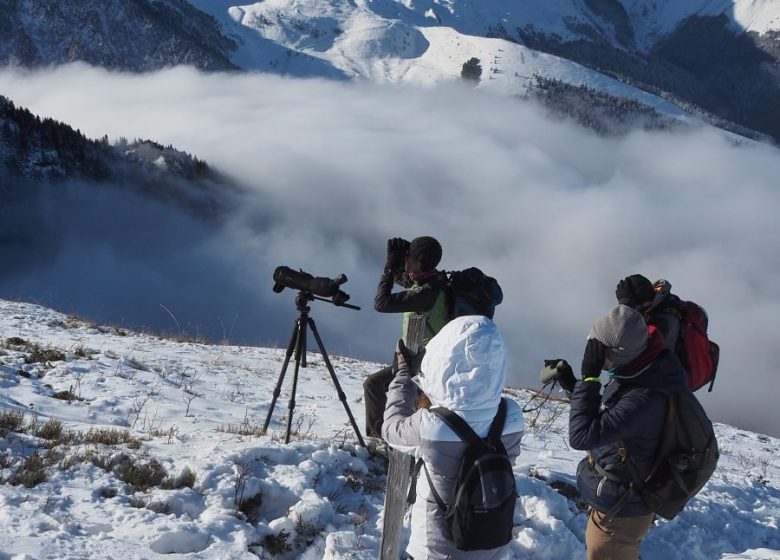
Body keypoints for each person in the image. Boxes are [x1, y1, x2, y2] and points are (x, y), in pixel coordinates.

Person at [382, 315, 524, 560]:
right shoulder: (511, 415)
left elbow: (391, 431)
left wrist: (404, 375)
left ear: (441, 361)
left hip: (438, 550)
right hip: (493, 544)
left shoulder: (432, 426)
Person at [565, 304, 687, 560]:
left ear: (618, 353)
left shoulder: (644, 395)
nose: (595, 356)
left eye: (599, 351)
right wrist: (575, 386)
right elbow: (610, 419)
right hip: (617, 502)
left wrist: (589, 379)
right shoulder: (640, 369)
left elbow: (581, 436)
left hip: (620, 514)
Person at [363, 236, 450, 439]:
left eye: (408, 257)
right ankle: (381, 437)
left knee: (374, 385)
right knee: (374, 384)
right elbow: (408, 282)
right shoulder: (436, 282)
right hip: (425, 358)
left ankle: (381, 439)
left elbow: (381, 303)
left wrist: (389, 268)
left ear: (418, 262)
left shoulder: (426, 294)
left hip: (422, 364)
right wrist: (396, 265)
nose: (405, 261)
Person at [615, 274, 680, 351]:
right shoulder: (659, 306)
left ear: (642, 304)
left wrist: (626, 306)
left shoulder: (662, 322)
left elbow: (629, 348)